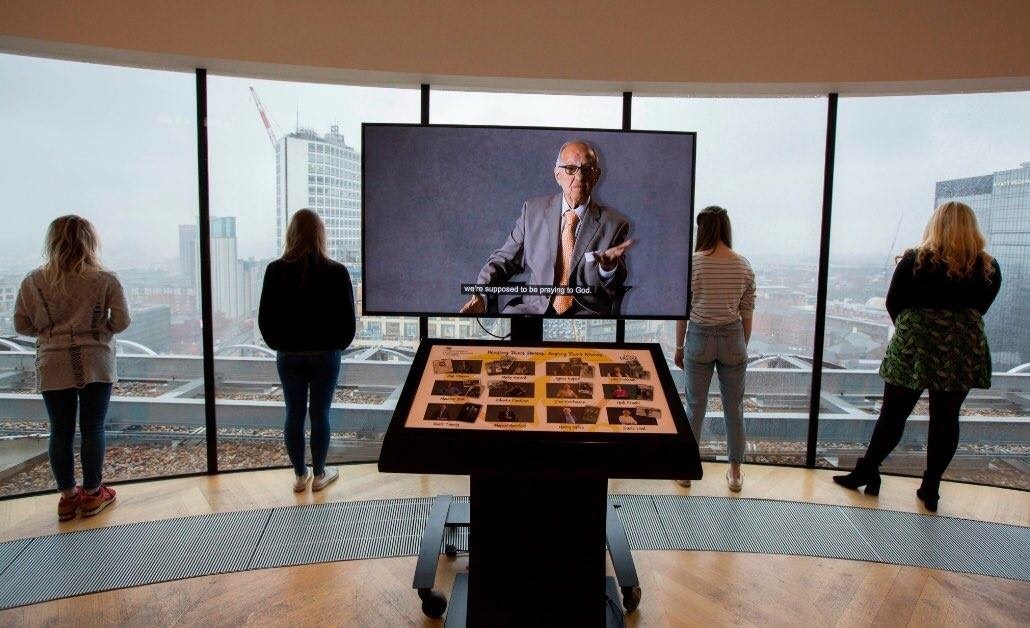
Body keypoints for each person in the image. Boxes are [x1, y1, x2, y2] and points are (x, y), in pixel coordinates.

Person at [834, 202, 1001, 512]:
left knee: (893, 414)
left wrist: (915, 330)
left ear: (934, 225)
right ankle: (931, 486)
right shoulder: (988, 268)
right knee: (946, 419)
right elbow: (981, 309)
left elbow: (893, 303)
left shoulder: (915, 261)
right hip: (960, 349)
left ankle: (868, 470)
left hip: (915, 347)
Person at [14, 215, 130, 520]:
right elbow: (121, 321)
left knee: (60, 430)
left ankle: (67, 497)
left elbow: (20, 324)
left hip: (53, 362)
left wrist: (50, 333)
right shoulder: (105, 279)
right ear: (90, 241)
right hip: (94, 359)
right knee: (93, 427)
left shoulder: (33, 281)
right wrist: (97, 329)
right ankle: (93, 493)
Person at [459, 140, 634, 316]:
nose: (579, 177)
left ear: (596, 176)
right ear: (558, 175)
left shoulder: (614, 224)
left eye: (587, 169)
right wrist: (481, 295)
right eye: (571, 169)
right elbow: (504, 260)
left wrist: (608, 268)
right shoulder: (532, 211)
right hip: (533, 309)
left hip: (585, 314)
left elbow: (615, 283)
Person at [259, 209, 356, 493]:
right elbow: (348, 324)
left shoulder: (275, 270)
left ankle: (300, 476)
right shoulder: (337, 272)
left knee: (294, 413)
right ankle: (321, 474)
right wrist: (335, 345)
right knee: (320, 414)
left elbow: (265, 319)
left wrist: (281, 345)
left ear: (291, 234)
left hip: (288, 354)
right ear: (319, 235)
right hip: (325, 355)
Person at [674, 206, 756, 492]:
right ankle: (734, 473)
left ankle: (685, 469)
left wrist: (679, 346)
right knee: (734, 407)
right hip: (733, 337)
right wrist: (740, 345)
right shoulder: (743, 265)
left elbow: (682, 312)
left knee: (695, 406)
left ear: (703, 230)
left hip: (699, 337)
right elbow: (746, 313)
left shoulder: (693, 264)